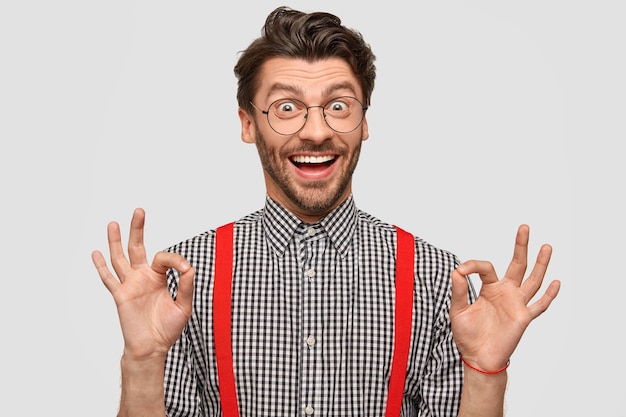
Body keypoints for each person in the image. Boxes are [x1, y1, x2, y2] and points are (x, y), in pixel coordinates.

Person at [92, 6, 561, 417]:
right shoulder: (184, 277)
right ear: (247, 124)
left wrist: (486, 372)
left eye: (338, 105)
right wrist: (142, 361)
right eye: (287, 107)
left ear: (365, 121)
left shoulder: (437, 278)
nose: (316, 131)